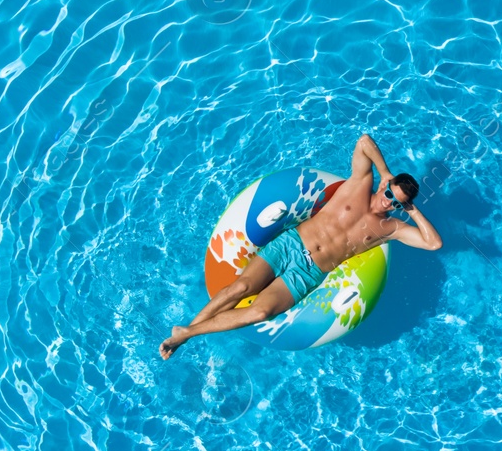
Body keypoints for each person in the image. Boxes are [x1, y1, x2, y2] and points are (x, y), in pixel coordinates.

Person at [159, 134, 443, 358]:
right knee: (240, 288)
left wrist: (412, 209)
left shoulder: (391, 228)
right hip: (291, 245)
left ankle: (186, 332)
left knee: (260, 312)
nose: (388, 202)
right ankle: (183, 334)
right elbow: (364, 141)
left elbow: (433, 243)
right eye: (390, 193)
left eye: (396, 202)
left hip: (308, 274)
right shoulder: (360, 183)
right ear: (387, 185)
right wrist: (384, 172)